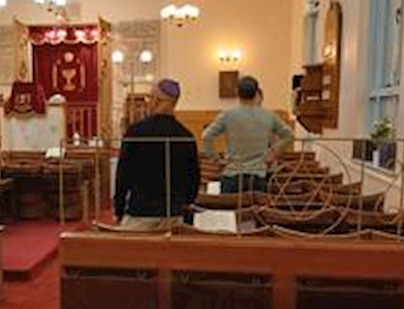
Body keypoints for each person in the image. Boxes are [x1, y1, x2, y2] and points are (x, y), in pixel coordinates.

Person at [114, 78, 200, 231]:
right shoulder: (185, 136)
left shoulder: (136, 132)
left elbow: (123, 175)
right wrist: (183, 206)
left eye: (149, 97)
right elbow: (193, 179)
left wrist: (118, 209)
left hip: (140, 213)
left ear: (155, 100)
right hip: (174, 216)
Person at [202, 75, 293, 194]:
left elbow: (206, 136)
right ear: (256, 93)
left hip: (232, 174)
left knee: (229, 210)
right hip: (258, 175)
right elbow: (289, 135)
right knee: (255, 211)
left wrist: (216, 160)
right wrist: (274, 154)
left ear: (237, 93)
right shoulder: (269, 115)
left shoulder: (227, 115)